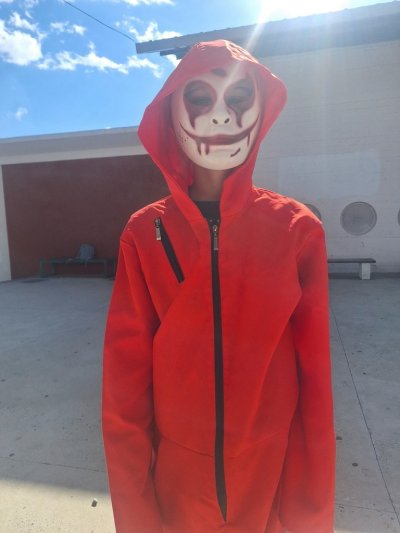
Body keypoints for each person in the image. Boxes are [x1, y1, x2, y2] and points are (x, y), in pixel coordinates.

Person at [102, 39, 335, 533]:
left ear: (262, 108)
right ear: (171, 114)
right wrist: (137, 517)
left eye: (239, 97)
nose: (221, 115)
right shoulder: (144, 232)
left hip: (268, 482)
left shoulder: (296, 229)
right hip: (177, 488)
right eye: (200, 98)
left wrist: (308, 516)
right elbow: (124, 387)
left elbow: (315, 384)